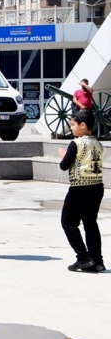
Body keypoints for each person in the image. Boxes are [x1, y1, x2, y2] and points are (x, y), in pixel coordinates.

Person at [58, 110, 104, 273]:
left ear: (83, 125)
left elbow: (64, 166)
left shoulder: (76, 143)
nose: (71, 128)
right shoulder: (98, 143)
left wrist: (64, 155)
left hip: (79, 188)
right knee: (90, 224)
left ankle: (84, 257)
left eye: (73, 125)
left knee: (68, 222)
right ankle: (97, 261)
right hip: (97, 186)